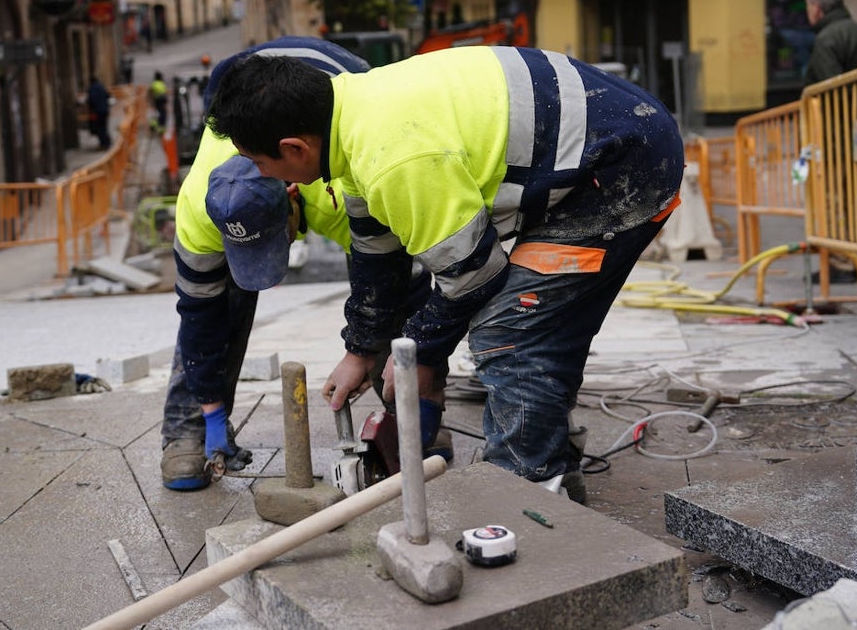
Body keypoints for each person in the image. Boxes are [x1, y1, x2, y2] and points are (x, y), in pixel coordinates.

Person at [206, 45, 684, 496]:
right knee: (532, 325)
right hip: (602, 146)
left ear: (294, 147)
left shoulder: (393, 157)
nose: (262, 173)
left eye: (258, 161)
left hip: (621, 165)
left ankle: (532, 499)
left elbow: (473, 275)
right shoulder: (351, 118)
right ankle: (550, 457)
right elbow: (377, 254)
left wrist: (424, 356)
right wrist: (362, 349)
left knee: (511, 333)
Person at [160, 37, 432, 492]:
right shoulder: (198, 212)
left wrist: (375, 356)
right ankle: (188, 430)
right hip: (244, 84)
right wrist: (210, 411)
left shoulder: (341, 183)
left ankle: (408, 413)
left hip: (337, 79)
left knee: (389, 278)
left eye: (273, 241)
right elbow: (197, 314)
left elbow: (407, 281)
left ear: (290, 194)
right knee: (214, 301)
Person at [804, 0, 857, 283]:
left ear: (818, 8)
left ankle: (841, 262)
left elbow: (828, 88)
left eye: (809, 6)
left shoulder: (827, 39)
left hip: (837, 131)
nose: (808, 12)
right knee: (853, 196)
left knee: (835, 197)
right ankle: (850, 258)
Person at [85, 76, 111, 150]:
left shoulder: (92, 88)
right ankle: (107, 142)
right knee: (104, 127)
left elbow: (92, 100)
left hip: (97, 111)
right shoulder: (101, 86)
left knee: (99, 128)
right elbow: (108, 95)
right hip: (105, 110)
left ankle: (103, 144)